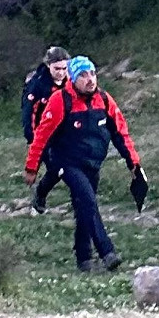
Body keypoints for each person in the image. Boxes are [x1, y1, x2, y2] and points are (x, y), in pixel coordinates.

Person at [24, 56, 140, 272]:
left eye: (93, 74)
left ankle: (84, 258)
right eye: (83, 75)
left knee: (83, 207)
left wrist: (133, 163)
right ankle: (107, 252)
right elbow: (42, 135)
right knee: (88, 200)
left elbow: (121, 133)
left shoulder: (104, 100)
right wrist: (32, 167)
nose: (90, 80)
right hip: (66, 161)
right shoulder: (60, 100)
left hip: (92, 163)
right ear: (73, 79)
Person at [21, 46, 71, 214]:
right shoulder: (37, 85)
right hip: (42, 133)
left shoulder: (70, 82)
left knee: (69, 167)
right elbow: (28, 113)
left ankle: (79, 198)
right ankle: (40, 194)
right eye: (57, 69)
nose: (61, 73)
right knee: (56, 168)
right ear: (48, 65)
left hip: (64, 133)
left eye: (64, 68)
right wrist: (31, 137)